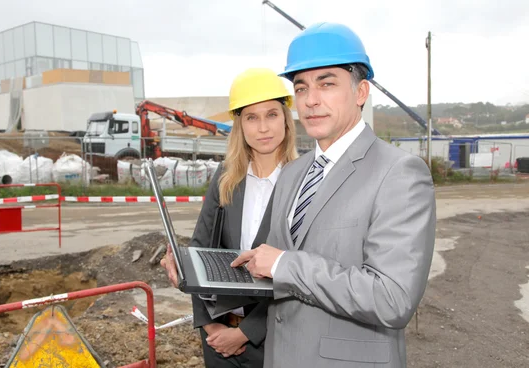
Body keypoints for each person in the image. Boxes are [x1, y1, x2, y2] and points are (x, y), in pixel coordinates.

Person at [231, 23, 437, 367]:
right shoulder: (295, 173)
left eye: (327, 84)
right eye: (301, 88)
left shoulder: (399, 173)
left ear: (361, 92)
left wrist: (284, 264)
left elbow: (392, 298)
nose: (311, 100)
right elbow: (278, 272)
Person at [160, 67, 299, 367]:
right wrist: (212, 326)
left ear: (286, 120)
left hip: (273, 342)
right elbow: (201, 251)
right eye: (252, 117)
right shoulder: (225, 179)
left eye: (271, 114)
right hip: (219, 339)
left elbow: (302, 273)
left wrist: (246, 333)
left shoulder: (303, 184)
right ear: (240, 124)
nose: (263, 127)